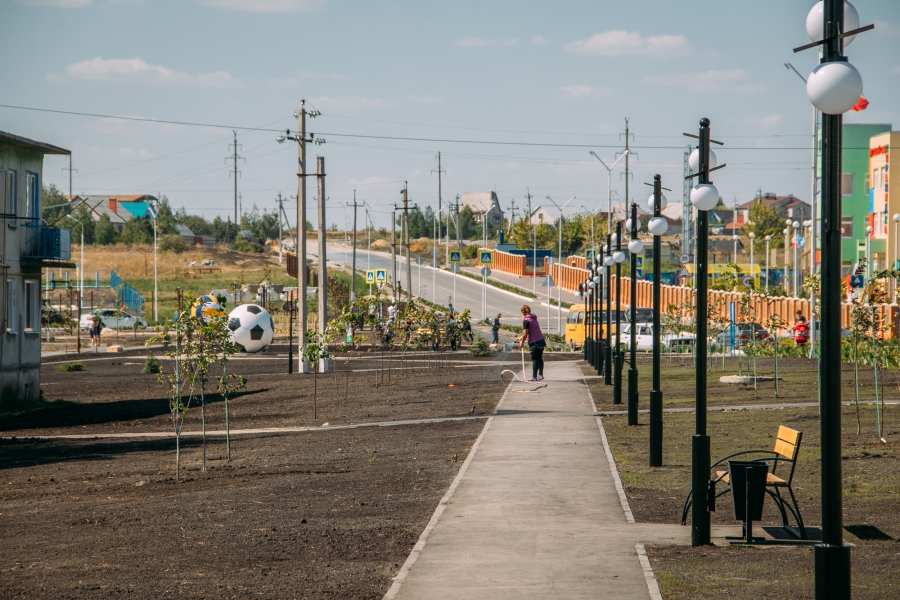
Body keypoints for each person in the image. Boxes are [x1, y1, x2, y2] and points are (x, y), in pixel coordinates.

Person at [516, 304, 546, 382]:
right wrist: (521, 338)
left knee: (535, 359)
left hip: (534, 342)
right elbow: (530, 331)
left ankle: (534, 377)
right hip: (541, 340)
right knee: (539, 358)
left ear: (523, 312)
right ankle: (540, 375)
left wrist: (522, 342)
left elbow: (525, 333)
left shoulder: (526, 321)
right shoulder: (533, 318)